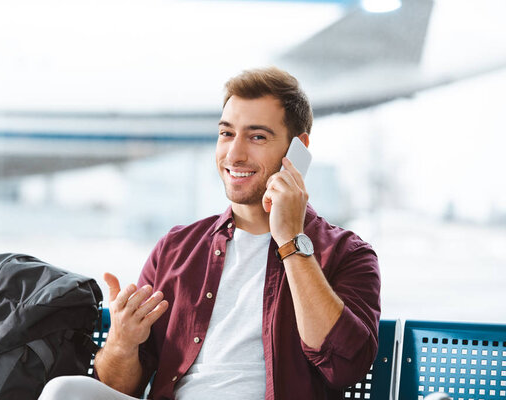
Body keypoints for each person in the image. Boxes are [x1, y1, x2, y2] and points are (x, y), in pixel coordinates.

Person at [39, 67, 381, 400]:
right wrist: (122, 342)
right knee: (63, 392)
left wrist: (291, 240)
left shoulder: (347, 254)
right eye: (227, 133)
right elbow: (117, 388)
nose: (234, 154)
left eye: (257, 136)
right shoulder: (176, 248)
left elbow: (344, 367)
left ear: (298, 149)